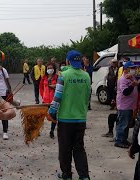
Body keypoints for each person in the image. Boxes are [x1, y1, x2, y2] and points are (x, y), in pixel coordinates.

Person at [47, 50, 91, 180]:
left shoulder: (63, 76)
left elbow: (58, 96)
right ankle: (84, 176)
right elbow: (87, 96)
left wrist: (51, 112)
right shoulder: (86, 76)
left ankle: (66, 175)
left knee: (65, 149)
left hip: (66, 119)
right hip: (81, 118)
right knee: (79, 148)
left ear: (67, 61)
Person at [115, 61, 139, 148]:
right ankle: (119, 141)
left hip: (130, 105)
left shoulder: (132, 77)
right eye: (131, 68)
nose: (133, 70)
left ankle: (124, 140)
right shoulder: (123, 79)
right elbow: (125, 92)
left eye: (134, 68)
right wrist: (132, 85)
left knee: (127, 124)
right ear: (125, 69)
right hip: (124, 105)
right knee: (123, 124)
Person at [40, 63, 58, 138]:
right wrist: (43, 95)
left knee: (53, 116)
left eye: (51, 68)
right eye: (48, 68)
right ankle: (37, 130)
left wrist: (55, 86)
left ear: (54, 69)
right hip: (45, 100)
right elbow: (41, 88)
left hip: (54, 100)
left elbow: (61, 86)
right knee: (41, 116)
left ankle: (52, 131)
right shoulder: (44, 78)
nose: (49, 69)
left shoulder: (57, 77)